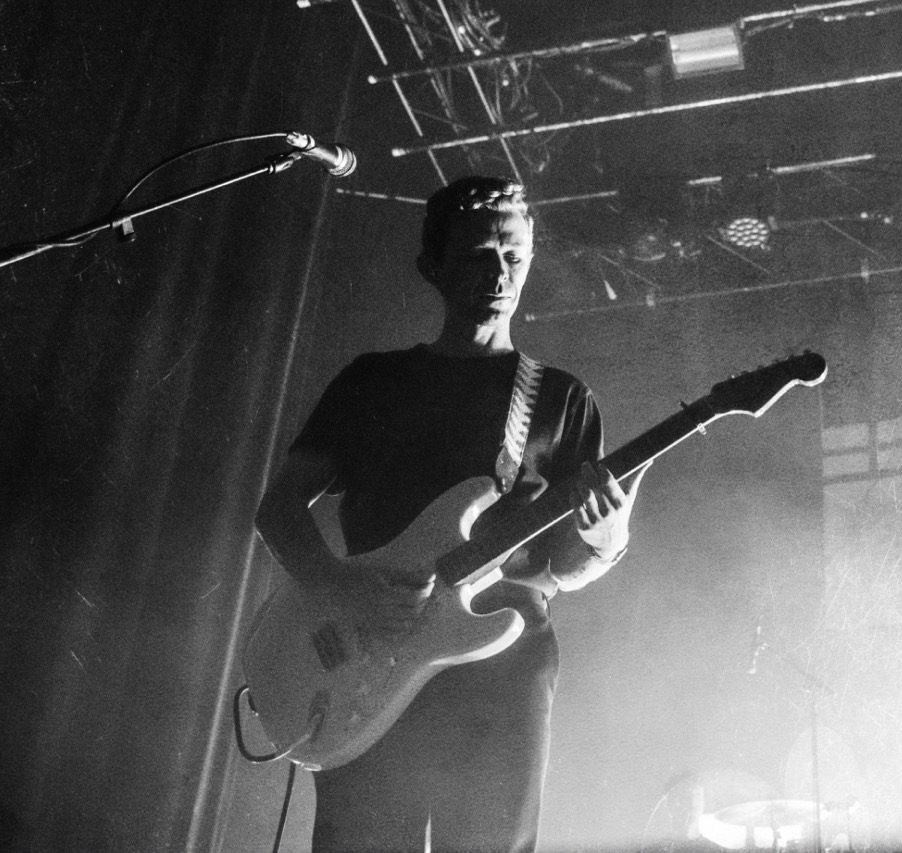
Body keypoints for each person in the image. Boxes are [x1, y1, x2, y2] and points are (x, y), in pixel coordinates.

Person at [254, 176, 645, 853]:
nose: (499, 273)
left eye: (514, 255)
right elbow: (279, 509)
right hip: (370, 649)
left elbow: (563, 570)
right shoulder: (372, 381)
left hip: (501, 661)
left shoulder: (561, 397)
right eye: (478, 255)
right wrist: (345, 587)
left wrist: (606, 539)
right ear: (431, 266)